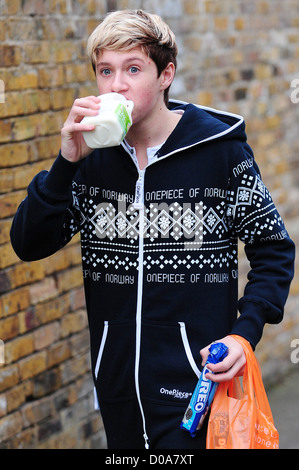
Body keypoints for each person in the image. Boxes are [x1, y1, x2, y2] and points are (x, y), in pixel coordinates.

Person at [10, 9, 295, 449]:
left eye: (133, 69)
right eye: (106, 71)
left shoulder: (219, 153)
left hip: (200, 388)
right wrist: (66, 163)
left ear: (166, 75)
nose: (116, 85)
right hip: (118, 387)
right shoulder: (90, 164)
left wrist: (245, 333)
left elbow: (273, 250)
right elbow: (28, 244)